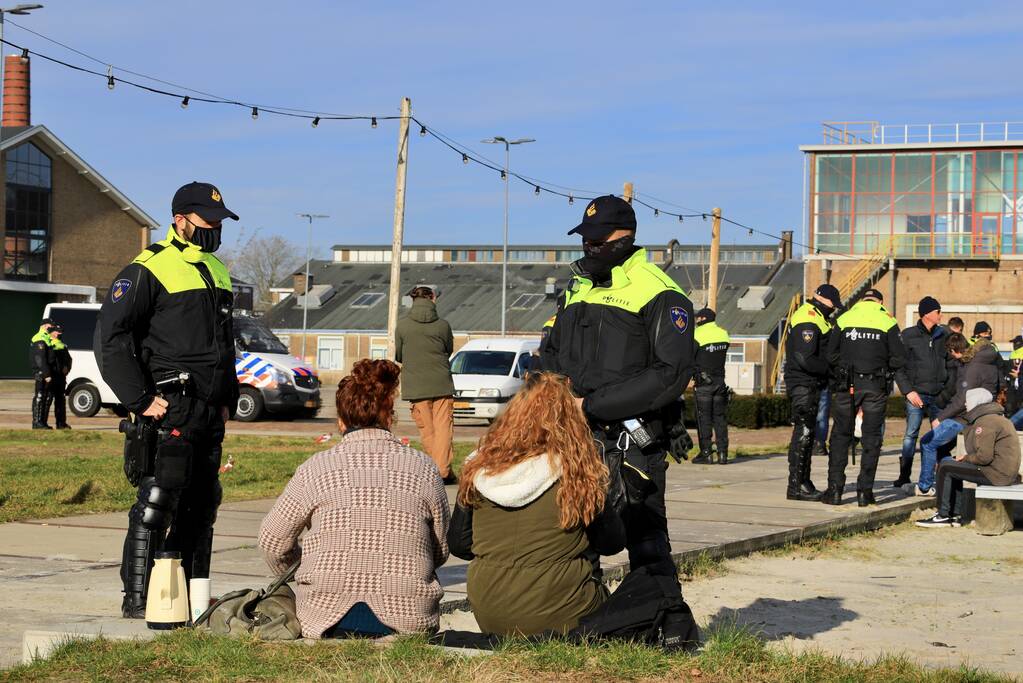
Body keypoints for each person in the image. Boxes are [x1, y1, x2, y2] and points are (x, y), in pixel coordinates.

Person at [97, 181, 240, 618]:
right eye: (207, 221)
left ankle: (190, 597)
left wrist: (225, 397)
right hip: (168, 405)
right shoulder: (147, 268)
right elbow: (110, 336)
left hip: (208, 409)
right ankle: (139, 601)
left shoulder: (217, 269)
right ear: (180, 220)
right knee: (157, 502)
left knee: (203, 504)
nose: (215, 228)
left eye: (219, 222)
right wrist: (139, 399)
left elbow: (223, 342)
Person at [541, 194, 695, 578]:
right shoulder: (577, 288)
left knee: (646, 539)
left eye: (597, 241)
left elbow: (669, 374)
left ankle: (661, 625)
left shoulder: (661, 292)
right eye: (585, 240)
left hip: (631, 440)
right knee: (576, 537)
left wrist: (592, 406)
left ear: (625, 238)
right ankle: (584, 619)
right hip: (574, 435)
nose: (589, 247)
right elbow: (552, 354)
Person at [259, 359, 449, 638]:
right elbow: (440, 549)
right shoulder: (424, 469)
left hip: (324, 617)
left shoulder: (315, 468)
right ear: (389, 417)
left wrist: (303, 569)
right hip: (408, 618)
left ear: (340, 421)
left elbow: (272, 543)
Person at [448, 372, 625, 636]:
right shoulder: (575, 470)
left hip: (489, 614)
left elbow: (460, 545)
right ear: (571, 423)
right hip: (563, 615)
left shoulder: (479, 468)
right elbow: (612, 543)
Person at [822, 289, 906, 507]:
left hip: (846, 385)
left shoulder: (845, 317)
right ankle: (864, 492)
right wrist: (884, 367)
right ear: (879, 301)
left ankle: (835, 490)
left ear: (862, 300)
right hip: (875, 387)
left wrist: (844, 368)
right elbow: (899, 357)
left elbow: (830, 354)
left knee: (840, 436)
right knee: (871, 439)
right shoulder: (887, 320)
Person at [916, 389, 1022, 527]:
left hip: (997, 474)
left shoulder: (986, 422)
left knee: (945, 466)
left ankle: (943, 515)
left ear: (976, 402)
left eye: (968, 400)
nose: (965, 404)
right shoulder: (993, 417)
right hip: (1001, 471)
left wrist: (965, 458)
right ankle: (953, 515)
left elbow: (984, 457)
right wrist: (963, 459)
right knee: (951, 464)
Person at [914, 335, 1000, 496]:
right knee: (942, 449)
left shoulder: (972, 367)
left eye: (951, 353)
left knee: (927, 442)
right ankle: (946, 485)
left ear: (954, 350)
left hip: (965, 418)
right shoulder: (987, 362)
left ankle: (925, 487)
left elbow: (962, 400)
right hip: (976, 414)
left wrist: (940, 417)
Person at [782, 284, 840, 500]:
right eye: (832, 305)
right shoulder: (808, 317)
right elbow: (804, 357)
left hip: (811, 383)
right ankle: (796, 486)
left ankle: (803, 482)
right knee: (804, 434)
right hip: (803, 383)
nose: (833, 309)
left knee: (807, 434)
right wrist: (831, 371)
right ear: (824, 301)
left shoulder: (818, 317)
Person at [395, 285, 457, 484]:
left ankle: (438, 469)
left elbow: (399, 355)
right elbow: (448, 349)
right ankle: (443, 470)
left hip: (416, 385)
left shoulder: (402, 326)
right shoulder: (443, 325)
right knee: (444, 428)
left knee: (428, 430)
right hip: (441, 382)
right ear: (433, 298)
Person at [891, 296, 949, 488]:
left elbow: (952, 365)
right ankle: (904, 475)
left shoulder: (944, 335)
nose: (941, 315)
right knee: (911, 435)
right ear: (926, 314)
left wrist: (946, 392)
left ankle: (940, 475)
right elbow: (898, 367)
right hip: (916, 394)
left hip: (939, 395)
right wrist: (908, 391)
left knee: (940, 435)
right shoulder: (908, 336)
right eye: (938, 311)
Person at [691, 308, 730, 465]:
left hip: (703, 384)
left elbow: (690, 357)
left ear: (701, 319)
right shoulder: (724, 334)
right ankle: (723, 453)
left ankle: (706, 453)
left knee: (704, 419)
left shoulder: (697, 334)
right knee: (720, 419)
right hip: (720, 382)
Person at [29, 319, 56, 429]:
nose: (52, 327)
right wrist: (46, 374)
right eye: (51, 325)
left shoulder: (46, 337)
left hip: (46, 372)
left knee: (47, 397)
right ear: (45, 326)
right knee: (40, 396)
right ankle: (37, 422)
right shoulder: (39, 338)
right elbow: (40, 359)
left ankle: (43, 422)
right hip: (42, 373)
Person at [47, 324, 72, 429]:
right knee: (47, 401)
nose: (60, 333)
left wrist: (67, 368)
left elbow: (69, 359)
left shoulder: (62, 345)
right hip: (51, 377)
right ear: (52, 332)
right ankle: (42, 423)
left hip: (61, 378)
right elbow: (46, 361)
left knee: (60, 402)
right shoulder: (48, 343)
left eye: (61, 331)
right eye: (58, 331)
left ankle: (61, 423)